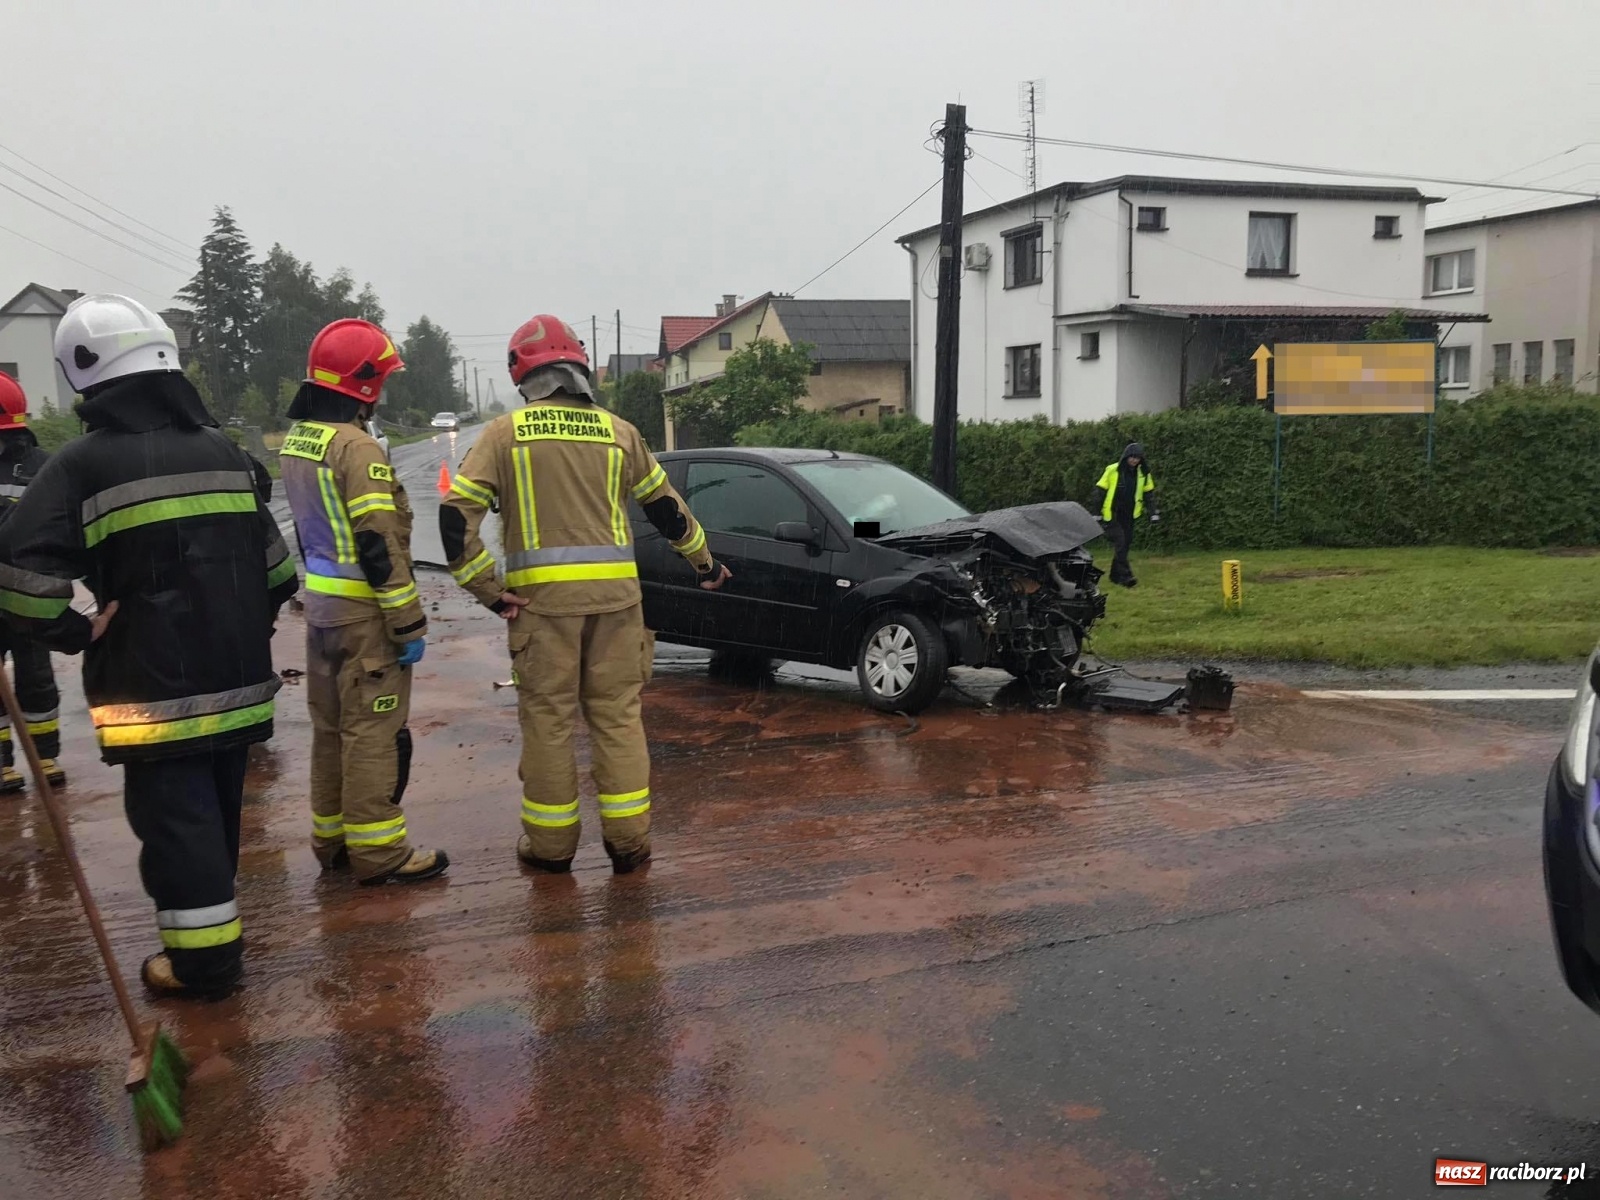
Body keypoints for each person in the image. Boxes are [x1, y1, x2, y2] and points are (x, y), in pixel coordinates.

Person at [0, 295, 299, 998]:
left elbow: (17, 584)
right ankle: (212, 938)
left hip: (152, 689)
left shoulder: (80, 466)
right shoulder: (224, 450)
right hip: (240, 681)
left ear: (83, 370)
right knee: (216, 813)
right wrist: (238, 628)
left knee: (175, 824)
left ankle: (204, 966)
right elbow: (279, 572)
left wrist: (76, 632)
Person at [440, 313, 729, 874]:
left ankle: (550, 849)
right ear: (578, 369)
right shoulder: (620, 433)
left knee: (548, 723)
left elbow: (456, 522)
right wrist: (706, 564)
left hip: (541, 610)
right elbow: (668, 510)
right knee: (618, 719)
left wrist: (490, 592)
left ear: (525, 377)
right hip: (619, 607)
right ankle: (629, 843)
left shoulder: (504, 436)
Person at [279, 319, 447, 886]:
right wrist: (407, 621)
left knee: (330, 732)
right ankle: (380, 853)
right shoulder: (357, 447)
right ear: (365, 383)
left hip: (322, 612)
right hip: (364, 619)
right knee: (373, 733)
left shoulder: (300, 442)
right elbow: (376, 538)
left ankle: (332, 842)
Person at [0, 372, 64, 792]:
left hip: (30, 592)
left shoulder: (41, 466)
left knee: (36, 674)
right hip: (25, 592)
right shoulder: (40, 463)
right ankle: (4, 764)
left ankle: (46, 757)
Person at [1093, 442, 1160, 587]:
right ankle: (1126, 577)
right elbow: (1100, 492)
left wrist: (1153, 513)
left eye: (1137, 458)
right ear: (1126, 456)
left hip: (1129, 514)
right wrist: (1096, 513)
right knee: (1121, 542)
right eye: (1132, 457)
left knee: (1125, 544)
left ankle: (1115, 576)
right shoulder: (1112, 470)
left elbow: (1149, 495)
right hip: (1112, 513)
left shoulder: (1144, 473)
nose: (1134, 460)